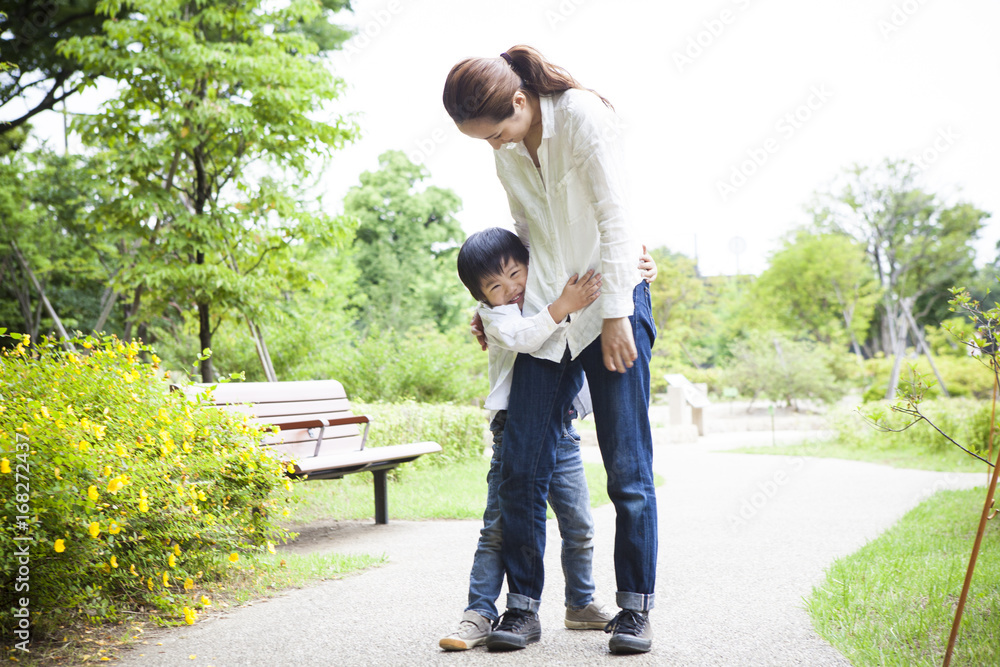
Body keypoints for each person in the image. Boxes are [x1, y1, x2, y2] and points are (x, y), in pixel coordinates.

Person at [443, 45, 658, 655]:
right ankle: (523, 608)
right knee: (520, 468)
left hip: (608, 304)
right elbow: (526, 232)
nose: (494, 145)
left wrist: (616, 312)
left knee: (628, 469)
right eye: (483, 140)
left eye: (496, 131)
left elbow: (616, 218)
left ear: (519, 100)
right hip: (546, 314)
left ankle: (635, 610)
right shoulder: (508, 149)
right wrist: (502, 310)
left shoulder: (584, 116)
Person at [438, 227, 614, 651]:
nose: (512, 289)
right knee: (498, 528)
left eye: (516, 274)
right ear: (480, 299)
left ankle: (581, 604)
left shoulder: (543, 285)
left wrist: (646, 269)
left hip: (561, 432)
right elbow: (526, 336)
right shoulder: (498, 318)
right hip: (513, 429)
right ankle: (479, 612)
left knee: (579, 525)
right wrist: (562, 306)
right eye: (495, 287)